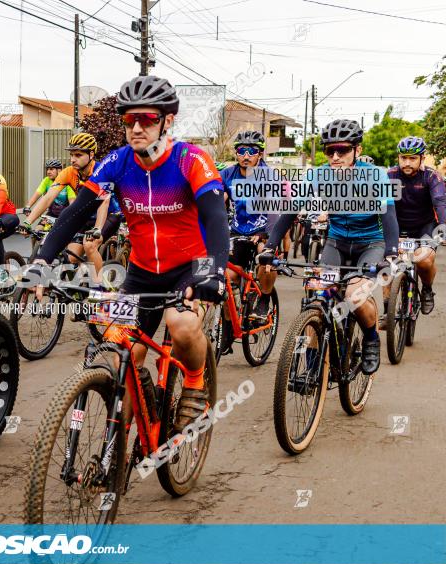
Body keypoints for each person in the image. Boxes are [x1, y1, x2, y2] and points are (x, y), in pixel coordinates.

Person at [33, 75, 228, 432]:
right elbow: (76, 212)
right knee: (118, 353)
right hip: (141, 270)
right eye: (129, 119)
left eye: (147, 119)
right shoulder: (118, 162)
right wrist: (42, 261)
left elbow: (216, 217)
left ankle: (197, 382)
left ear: (167, 120)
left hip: (190, 264)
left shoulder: (191, 159)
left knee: (181, 325)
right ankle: (125, 439)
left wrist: (213, 272)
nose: (136, 127)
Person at [259, 119, 399, 375]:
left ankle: (370, 338)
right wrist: (270, 247)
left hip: (371, 243)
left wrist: (390, 253)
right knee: (319, 297)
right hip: (336, 243)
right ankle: (313, 368)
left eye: (342, 150)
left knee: (353, 297)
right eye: (329, 150)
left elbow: (389, 215)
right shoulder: (316, 175)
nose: (335, 156)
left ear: (357, 150)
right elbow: (290, 212)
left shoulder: (375, 174)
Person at [20, 133, 120, 283]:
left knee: (90, 245)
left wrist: (98, 228)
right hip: (85, 217)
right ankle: (81, 283)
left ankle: (101, 288)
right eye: (72, 155)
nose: (73, 159)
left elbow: (103, 202)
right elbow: (48, 198)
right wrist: (28, 221)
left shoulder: (102, 171)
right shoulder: (69, 172)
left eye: (78, 155)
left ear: (91, 154)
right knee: (71, 256)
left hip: (109, 215)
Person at [383, 136, 446, 317]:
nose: (407, 162)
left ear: (422, 158)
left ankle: (426, 288)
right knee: (387, 264)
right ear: (398, 158)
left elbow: (440, 203)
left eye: (412, 158)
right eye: (404, 158)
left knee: (424, 260)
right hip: (396, 226)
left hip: (424, 228)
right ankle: (388, 309)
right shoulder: (389, 176)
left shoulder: (432, 177)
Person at [220, 130, 277, 321]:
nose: (246, 156)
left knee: (266, 258)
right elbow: (218, 200)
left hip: (262, 230)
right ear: (236, 152)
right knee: (229, 275)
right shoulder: (227, 174)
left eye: (251, 151)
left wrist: (265, 234)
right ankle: (230, 322)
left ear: (260, 154)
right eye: (241, 151)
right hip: (237, 230)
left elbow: (274, 208)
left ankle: (264, 299)